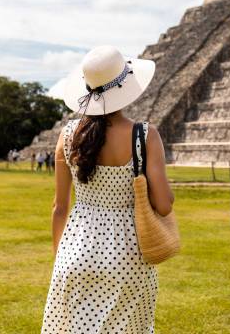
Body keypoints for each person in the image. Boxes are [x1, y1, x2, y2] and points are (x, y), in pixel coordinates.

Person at [41, 45, 171, 333]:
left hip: (75, 251)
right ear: (124, 85)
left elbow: (59, 207)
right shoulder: (145, 136)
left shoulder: (67, 135)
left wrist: (59, 257)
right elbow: (164, 205)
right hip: (128, 254)